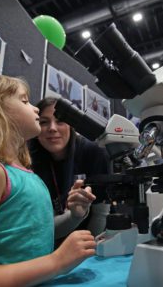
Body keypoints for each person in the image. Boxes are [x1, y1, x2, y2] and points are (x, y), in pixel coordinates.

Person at [0, 75, 96, 287]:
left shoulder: (26, 174)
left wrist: (74, 216)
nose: (35, 109)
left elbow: (31, 236)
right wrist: (56, 262)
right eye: (25, 101)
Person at [29, 97, 111, 242]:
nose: (52, 128)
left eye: (60, 120)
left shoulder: (93, 152)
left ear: (71, 125)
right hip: (48, 243)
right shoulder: (29, 159)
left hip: (91, 240)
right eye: (43, 122)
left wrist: (88, 251)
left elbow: (101, 213)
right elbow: (40, 228)